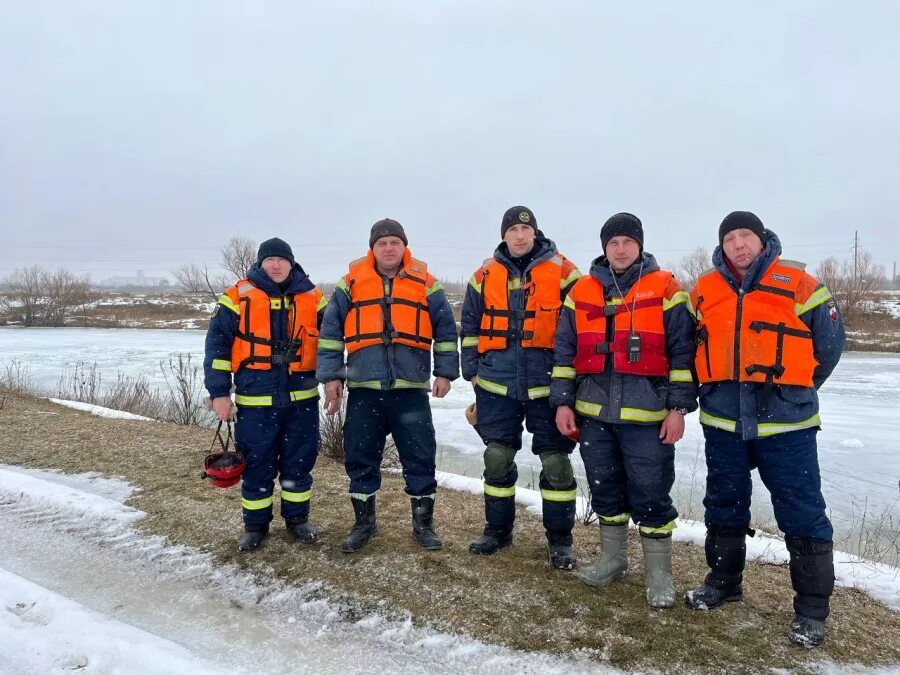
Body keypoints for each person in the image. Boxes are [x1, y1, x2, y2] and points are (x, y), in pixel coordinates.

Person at [684, 211, 845, 646]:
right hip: (723, 421)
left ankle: (811, 610)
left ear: (761, 239)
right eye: (731, 237)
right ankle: (723, 582)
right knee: (723, 504)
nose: (739, 244)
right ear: (723, 244)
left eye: (746, 236)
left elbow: (829, 346)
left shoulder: (801, 285)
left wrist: (796, 390)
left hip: (788, 426)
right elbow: (688, 344)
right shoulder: (702, 291)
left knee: (802, 511)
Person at [551, 213, 697, 607]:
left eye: (627, 242)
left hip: (648, 417)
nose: (620, 249)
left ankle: (658, 574)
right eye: (613, 242)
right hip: (594, 415)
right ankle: (612, 559)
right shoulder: (580, 291)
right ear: (604, 248)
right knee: (606, 490)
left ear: (640, 245)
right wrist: (562, 402)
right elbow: (564, 352)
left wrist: (678, 408)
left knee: (651, 493)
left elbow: (683, 352)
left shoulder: (667, 288)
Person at [316, 218, 459, 553]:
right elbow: (331, 333)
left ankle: (423, 525)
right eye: (382, 243)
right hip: (365, 388)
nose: (389, 248)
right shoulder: (350, 283)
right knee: (361, 456)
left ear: (404, 246)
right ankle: (364, 524)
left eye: (395, 242)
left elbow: (446, 330)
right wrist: (332, 377)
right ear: (373, 248)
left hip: (411, 389)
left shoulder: (426, 282)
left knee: (420, 456)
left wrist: (445, 373)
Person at [460, 206, 582, 569]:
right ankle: (497, 531)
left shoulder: (564, 272)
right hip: (496, 383)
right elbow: (469, 327)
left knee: (557, 464)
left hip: (547, 387)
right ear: (504, 235)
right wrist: (473, 373)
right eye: (512, 229)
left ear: (535, 233)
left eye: (525, 230)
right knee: (496, 458)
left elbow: (580, 330)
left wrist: (571, 380)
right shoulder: (482, 275)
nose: (519, 235)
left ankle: (560, 540)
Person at [204, 237, 327, 552]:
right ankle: (255, 526)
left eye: (281, 259)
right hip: (255, 402)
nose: (275, 265)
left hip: (302, 401)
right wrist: (219, 394)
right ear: (260, 264)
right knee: (257, 465)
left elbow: (332, 343)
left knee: (299, 462)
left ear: (291, 262)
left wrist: (334, 381)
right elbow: (217, 348)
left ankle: (297, 520)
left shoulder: (314, 297)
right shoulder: (236, 297)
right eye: (269, 259)